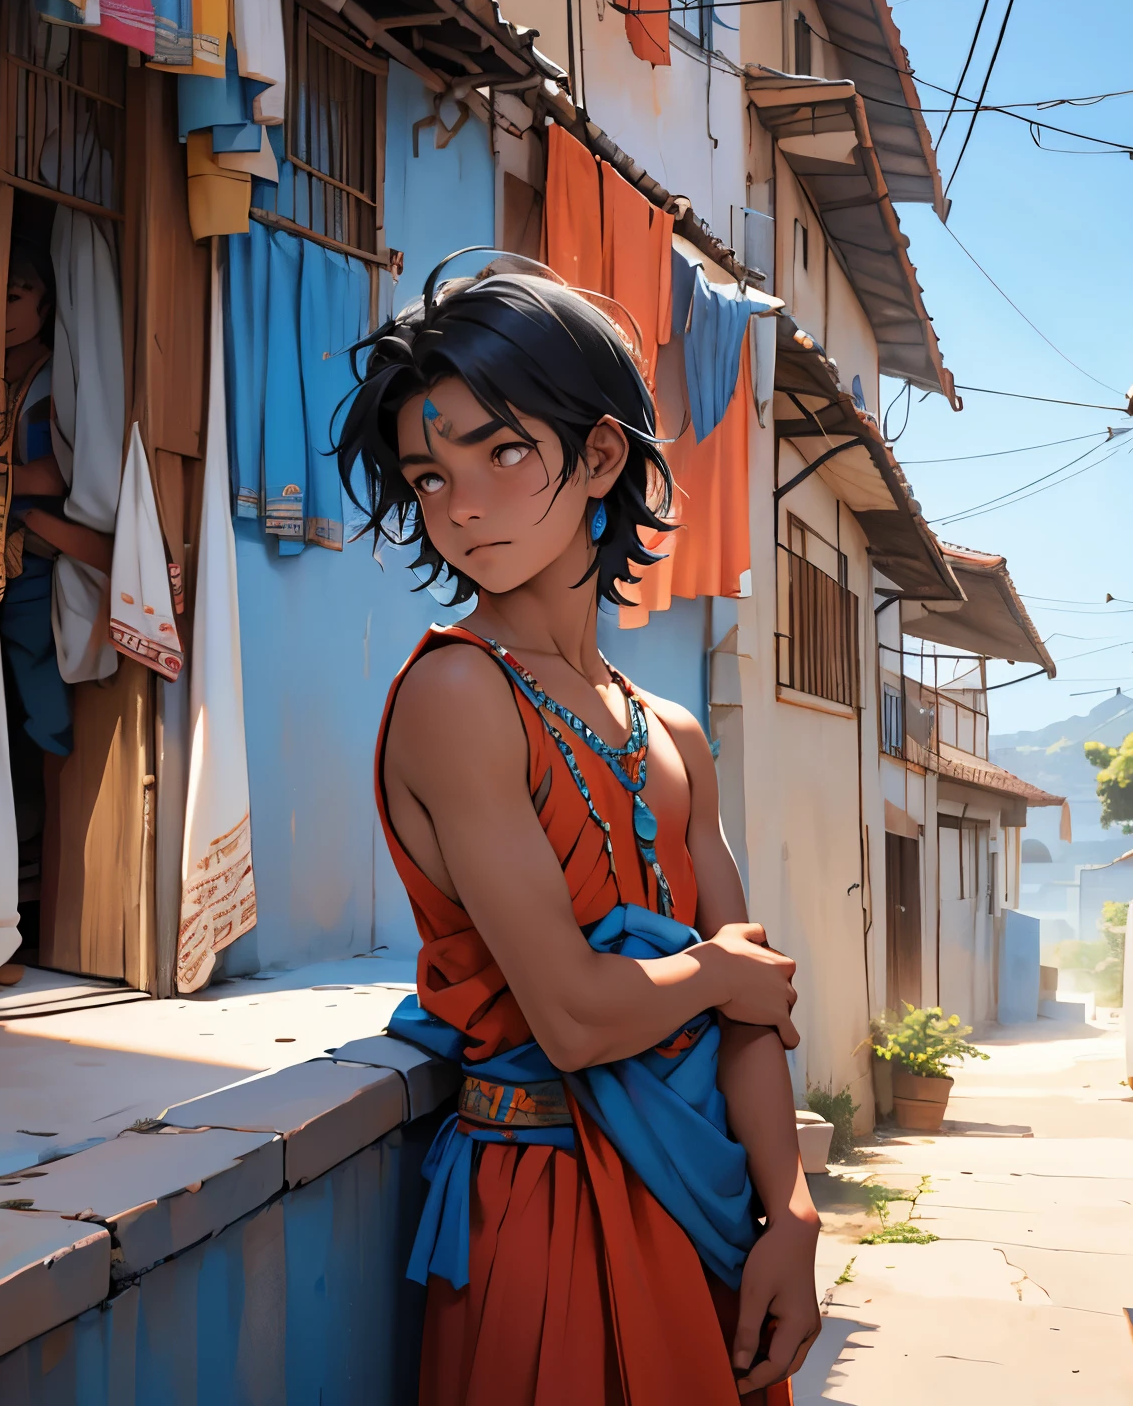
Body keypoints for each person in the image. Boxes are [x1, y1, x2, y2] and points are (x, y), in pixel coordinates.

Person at [338, 259, 819, 1404]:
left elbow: (754, 1009)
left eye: (500, 452)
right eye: (428, 471)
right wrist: (708, 973)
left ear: (599, 456)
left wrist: (792, 1211)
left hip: (710, 1212)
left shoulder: (672, 734)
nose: (459, 504)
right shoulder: (457, 696)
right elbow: (569, 1016)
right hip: (544, 1215)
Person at [0, 243, 112, 756]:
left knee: (40, 699)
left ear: (47, 308)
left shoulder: (48, 382)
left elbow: (56, 475)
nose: (1, 308)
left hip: (35, 563)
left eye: (16, 295)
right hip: (4, 555)